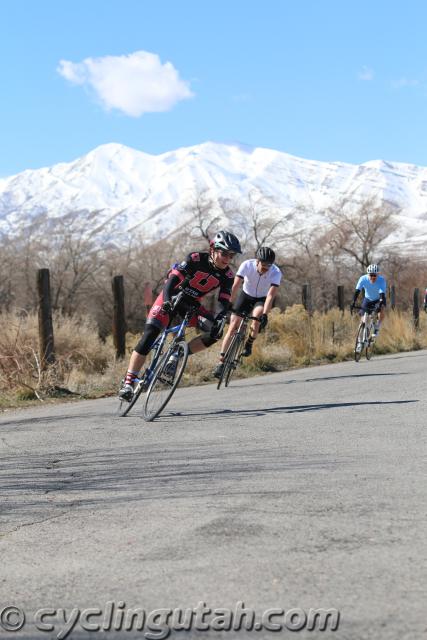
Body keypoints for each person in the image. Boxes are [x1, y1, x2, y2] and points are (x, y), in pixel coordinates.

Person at [119, 230, 242, 401]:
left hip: (191, 304)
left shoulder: (228, 275)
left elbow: (223, 300)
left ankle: (177, 355)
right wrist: (167, 301)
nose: (227, 259)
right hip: (172, 296)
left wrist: (221, 317)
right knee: (150, 334)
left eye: (231, 255)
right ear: (213, 249)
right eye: (224, 254)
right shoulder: (195, 258)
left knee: (216, 331)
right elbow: (171, 283)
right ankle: (129, 381)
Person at [213, 246, 281, 379]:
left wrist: (265, 314)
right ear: (257, 260)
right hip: (245, 296)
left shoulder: (276, 272)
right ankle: (221, 363)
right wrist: (229, 302)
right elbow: (236, 285)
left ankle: (249, 343)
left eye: (269, 266)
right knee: (233, 326)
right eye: (263, 265)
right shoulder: (247, 265)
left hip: (261, 298)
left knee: (256, 318)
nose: (265, 268)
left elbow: (270, 296)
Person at [351, 264, 386, 339]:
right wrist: (353, 302)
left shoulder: (381, 280)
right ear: (368, 275)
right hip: (368, 299)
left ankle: (377, 327)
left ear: (377, 275)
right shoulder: (363, 279)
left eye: (375, 275)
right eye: (371, 275)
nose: (373, 277)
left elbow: (382, 294)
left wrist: (379, 305)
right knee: (363, 319)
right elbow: (357, 291)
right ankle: (360, 340)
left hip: (378, 299)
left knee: (381, 309)